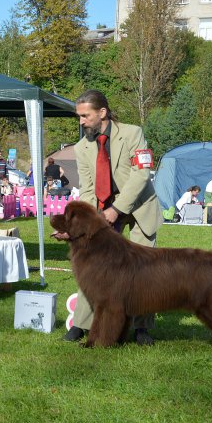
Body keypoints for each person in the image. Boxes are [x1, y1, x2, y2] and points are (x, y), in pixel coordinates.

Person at [56, 89, 162, 346]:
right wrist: (80, 226)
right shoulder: (81, 148)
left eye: (85, 116)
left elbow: (141, 174)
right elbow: (88, 189)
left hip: (139, 208)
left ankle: (141, 328)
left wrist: (117, 209)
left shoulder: (133, 133)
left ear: (102, 112)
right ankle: (81, 324)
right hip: (104, 212)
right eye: (79, 116)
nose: (81, 121)